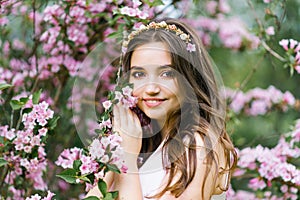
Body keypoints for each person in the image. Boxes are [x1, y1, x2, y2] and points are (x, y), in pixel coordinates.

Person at [87, 18, 237, 200]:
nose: (151, 88)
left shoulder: (198, 146)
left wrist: (128, 159)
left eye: (166, 73)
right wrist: (118, 149)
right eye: (139, 74)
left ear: (189, 78)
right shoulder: (142, 142)